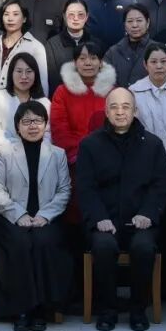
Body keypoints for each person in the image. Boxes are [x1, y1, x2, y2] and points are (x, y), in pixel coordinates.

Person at [77, 87, 166, 331]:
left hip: (141, 222)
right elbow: (85, 188)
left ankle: (138, 310)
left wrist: (148, 214)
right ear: (106, 112)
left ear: (135, 111)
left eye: (126, 106)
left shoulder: (153, 144)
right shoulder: (90, 145)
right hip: (104, 221)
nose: (120, 112)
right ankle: (107, 311)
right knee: (104, 247)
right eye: (114, 107)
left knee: (143, 247)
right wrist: (99, 218)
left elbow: (160, 185)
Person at [0, 101, 72, 331]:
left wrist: (45, 215)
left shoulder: (57, 154)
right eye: (26, 121)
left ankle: (42, 308)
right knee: (20, 242)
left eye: (38, 121)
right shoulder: (5, 153)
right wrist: (19, 214)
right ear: (17, 126)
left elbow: (64, 190)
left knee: (44, 241)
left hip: (47, 217)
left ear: (45, 125)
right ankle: (22, 309)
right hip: (13, 216)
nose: (32, 126)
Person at [51, 42, 116, 223]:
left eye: (93, 58)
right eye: (82, 58)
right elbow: (59, 129)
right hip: (74, 161)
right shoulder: (62, 92)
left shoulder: (112, 92)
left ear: (101, 63)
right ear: (75, 63)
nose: (88, 63)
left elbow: (116, 126)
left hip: (106, 161)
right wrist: (80, 155)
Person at [0, 53, 53, 160]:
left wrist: (35, 149)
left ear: (36, 74)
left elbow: (49, 133)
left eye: (29, 71)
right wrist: (18, 149)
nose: (24, 76)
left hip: (38, 157)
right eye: (19, 71)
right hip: (2, 158)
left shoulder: (44, 102)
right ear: (11, 73)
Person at [44, 0, 103, 95]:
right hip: (63, 97)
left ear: (87, 17)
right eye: (71, 14)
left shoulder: (96, 43)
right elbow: (52, 80)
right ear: (64, 16)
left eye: (80, 15)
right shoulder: (52, 45)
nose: (76, 18)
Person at [0, 0, 48, 92]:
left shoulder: (35, 47)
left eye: (15, 14)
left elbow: (42, 84)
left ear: (24, 19)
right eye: (6, 14)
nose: (10, 19)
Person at [103, 3, 152, 88]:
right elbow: (105, 81)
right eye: (130, 21)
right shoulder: (112, 52)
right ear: (124, 25)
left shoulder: (157, 49)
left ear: (147, 23)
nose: (134, 25)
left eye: (139, 20)